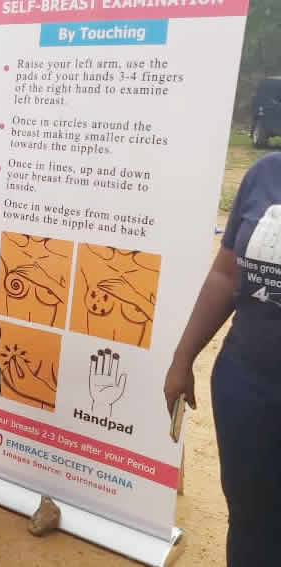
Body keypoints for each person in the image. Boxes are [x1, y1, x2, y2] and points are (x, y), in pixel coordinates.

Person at [164, 152, 281, 566]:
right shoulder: (266, 173)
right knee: (250, 519)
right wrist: (183, 358)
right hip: (248, 388)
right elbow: (226, 274)